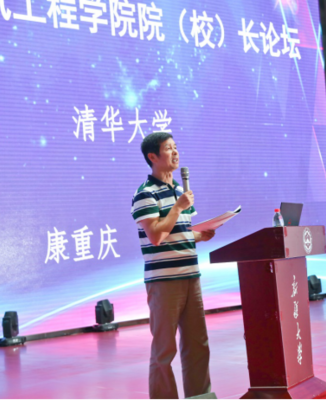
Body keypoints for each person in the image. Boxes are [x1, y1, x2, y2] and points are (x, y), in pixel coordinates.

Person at [130, 131, 216, 399]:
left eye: (176, 147)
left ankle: (200, 397)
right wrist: (177, 208)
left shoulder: (180, 190)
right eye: (169, 148)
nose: (175, 152)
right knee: (164, 350)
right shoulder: (145, 194)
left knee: (198, 345)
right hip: (164, 281)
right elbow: (156, 236)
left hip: (191, 276)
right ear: (152, 156)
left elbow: (176, 232)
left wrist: (201, 235)